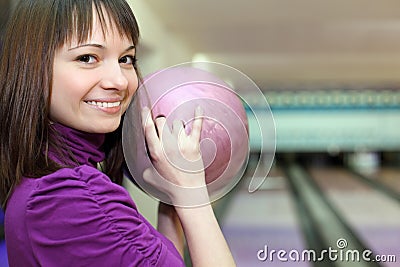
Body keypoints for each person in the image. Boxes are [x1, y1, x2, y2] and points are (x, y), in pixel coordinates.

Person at [0, 0, 236, 266]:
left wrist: (172, 201)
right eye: (87, 58)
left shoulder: (52, 181)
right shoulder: (66, 198)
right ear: (33, 68)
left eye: (126, 59)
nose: (120, 81)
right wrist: (193, 195)